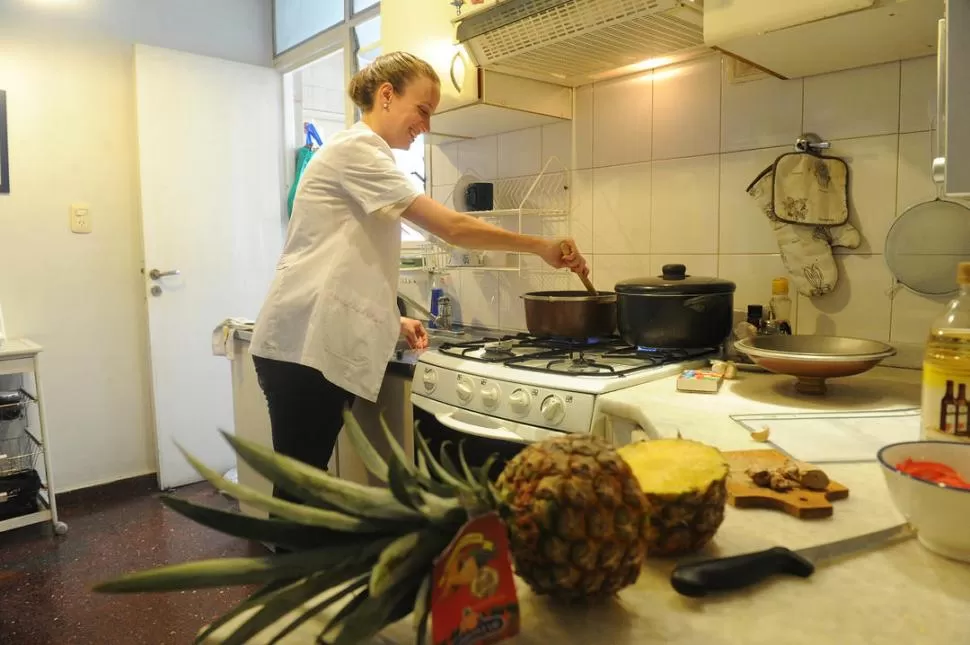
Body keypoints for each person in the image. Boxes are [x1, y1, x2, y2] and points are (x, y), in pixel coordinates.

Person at [248, 51, 588, 503]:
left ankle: (299, 570)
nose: (426, 124)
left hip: (309, 344)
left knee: (303, 492)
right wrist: (541, 246)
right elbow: (452, 228)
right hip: (304, 347)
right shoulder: (357, 151)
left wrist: (391, 321)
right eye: (422, 110)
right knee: (300, 496)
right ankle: (291, 573)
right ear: (386, 95)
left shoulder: (363, 155)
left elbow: (351, 259)